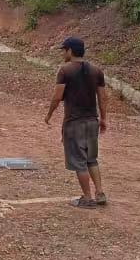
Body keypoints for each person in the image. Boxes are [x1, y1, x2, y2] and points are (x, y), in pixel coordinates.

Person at [43, 36, 109, 209]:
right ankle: (100, 192)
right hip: (92, 121)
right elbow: (102, 97)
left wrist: (49, 114)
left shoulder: (65, 70)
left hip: (74, 123)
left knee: (79, 161)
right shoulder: (96, 71)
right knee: (91, 159)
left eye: (64, 50)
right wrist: (103, 118)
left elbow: (57, 97)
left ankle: (87, 198)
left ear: (70, 51)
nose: (63, 53)